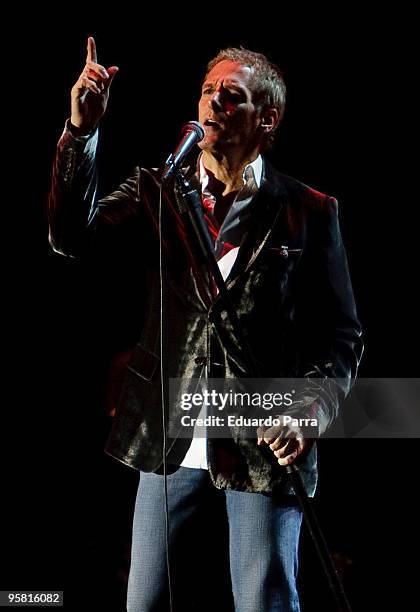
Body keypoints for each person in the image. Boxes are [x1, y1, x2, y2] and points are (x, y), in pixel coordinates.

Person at [48, 37, 363, 612]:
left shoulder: (309, 210)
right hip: (170, 429)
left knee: (263, 600)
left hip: (260, 435)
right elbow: (72, 237)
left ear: (267, 119)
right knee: (145, 601)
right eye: (206, 91)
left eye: (232, 96)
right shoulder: (159, 189)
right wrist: (82, 134)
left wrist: (311, 409)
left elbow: (341, 334)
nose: (213, 103)